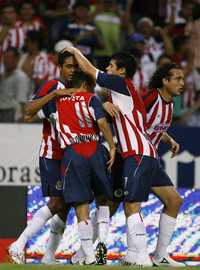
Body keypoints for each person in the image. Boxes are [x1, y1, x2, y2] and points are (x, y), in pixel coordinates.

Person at [65, 46, 159, 267]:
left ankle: (142, 256)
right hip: (138, 154)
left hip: (137, 153)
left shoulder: (120, 83)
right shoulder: (122, 91)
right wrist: (105, 104)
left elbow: (88, 69)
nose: (107, 69)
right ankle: (135, 254)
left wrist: (72, 49)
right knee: (129, 204)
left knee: (131, 205)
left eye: (111, 66)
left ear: (122, 71)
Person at [8, 50, 77, 265]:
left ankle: (48, 255)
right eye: (68, 66)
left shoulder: (81, 91)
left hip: (71, 156)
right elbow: (28, 112)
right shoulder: (53, 86)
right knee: (57, 202)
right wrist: (52, 97)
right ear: (60, 68)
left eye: (75, 66)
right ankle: (19, 243)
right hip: (52, 154)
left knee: (65, 204)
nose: (72, 70)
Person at [45, 70, 116, 264]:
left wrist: (51, 95)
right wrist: (112, 146)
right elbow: (101, 122)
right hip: (95, 149)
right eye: (92, 84)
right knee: (103, 199)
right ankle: (102, 241)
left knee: (80, 204)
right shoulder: (91, 98)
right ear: (85, 84)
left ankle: (90, 256)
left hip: (73, 153)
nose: (94, 87)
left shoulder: (58, 102)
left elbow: (36, 113)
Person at [142, 63, 185, 266]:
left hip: (150, 160)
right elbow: (131, 119)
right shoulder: (151, 98)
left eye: (183, 79)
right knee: (112, 205)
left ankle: (160, 256)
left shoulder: (169, 103)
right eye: (177, 79)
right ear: (164, 81)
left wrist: (168, 140)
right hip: (135, 158)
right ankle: (86, 251)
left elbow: (153, 125)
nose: (182, 83)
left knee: (174, 201)